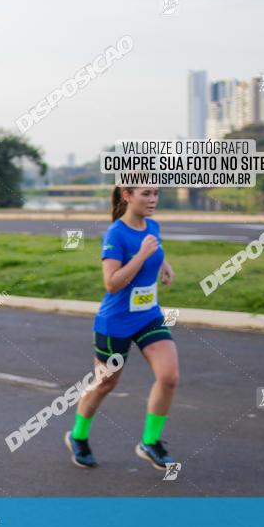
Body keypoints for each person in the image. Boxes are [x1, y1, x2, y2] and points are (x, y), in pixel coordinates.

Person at [65, 186, 179, 470]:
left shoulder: (152, 225)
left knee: (169, 377)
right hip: (115, 322)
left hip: (148, 316)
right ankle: (78, 436)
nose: (153, 200)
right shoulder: (115, 233)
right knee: (106, 383)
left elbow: (153, 247)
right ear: (127, 196)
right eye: (146, 194)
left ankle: (149, 442)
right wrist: (141, 257)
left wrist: (164, 264)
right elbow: (112, 283)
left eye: (156, 194)